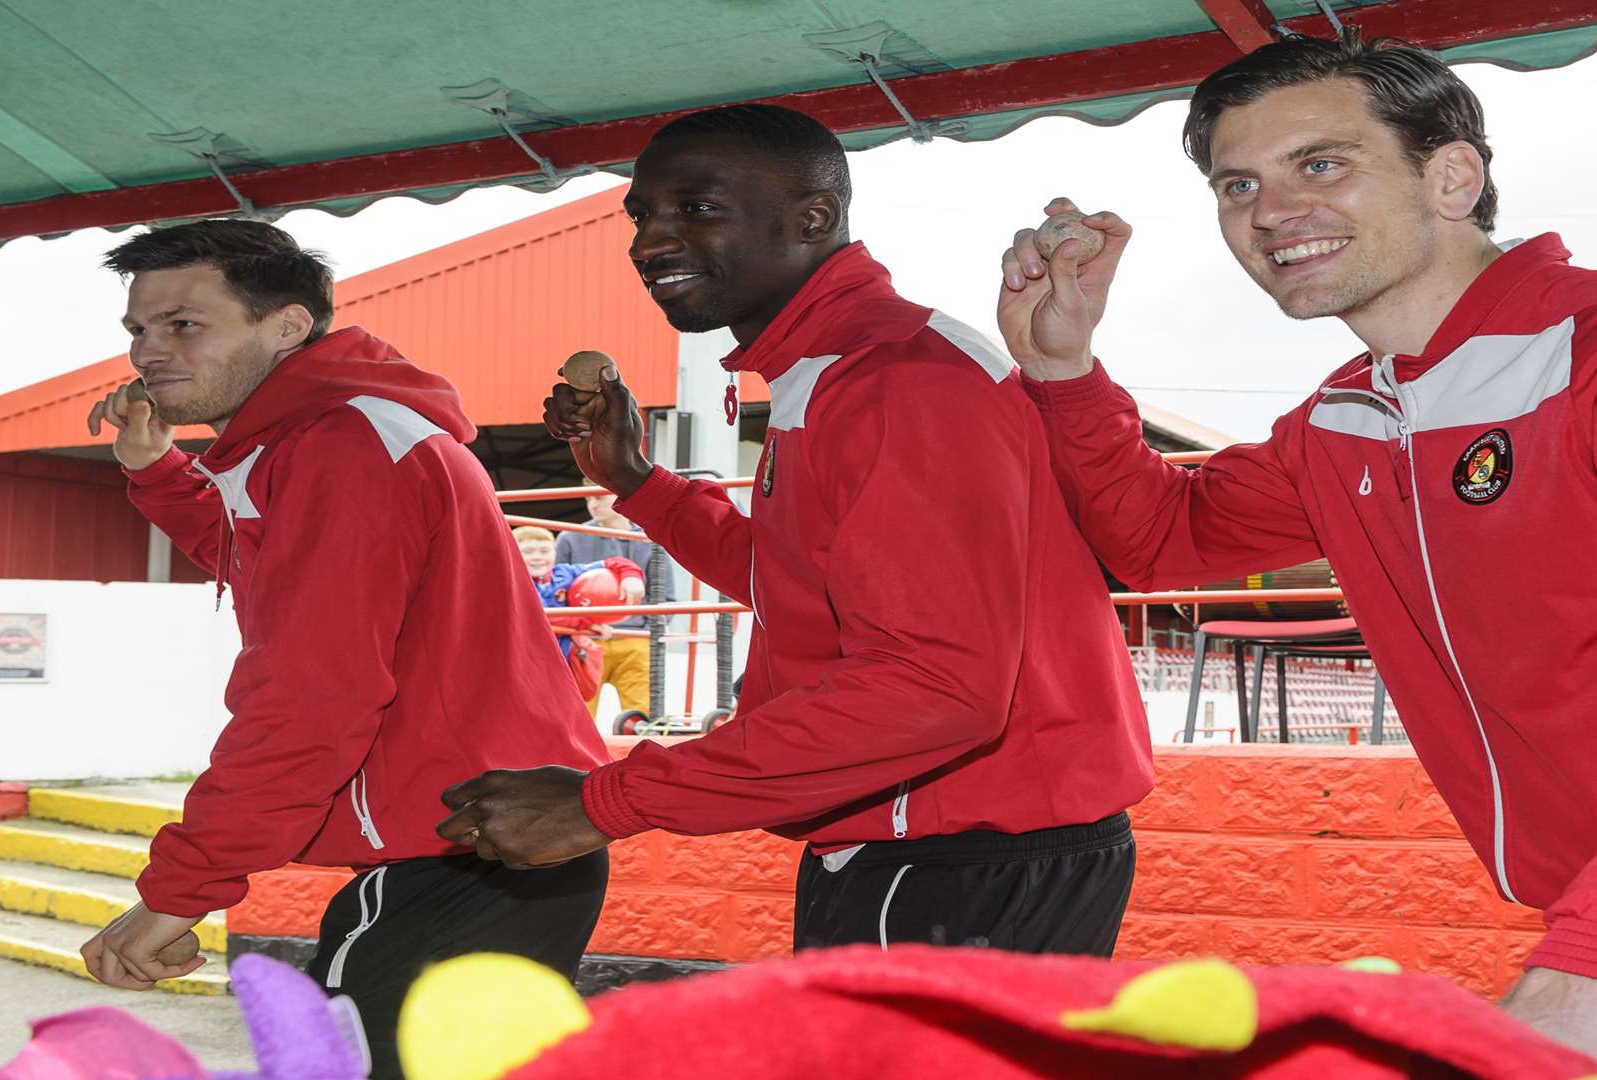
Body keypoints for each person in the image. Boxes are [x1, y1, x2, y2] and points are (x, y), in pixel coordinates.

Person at [995, 30, 1597, 1077]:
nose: (1269, 210)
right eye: (1237, 183)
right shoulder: (1348, 419)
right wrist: (1061, 369)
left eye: (1320, 163)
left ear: (1453, 177)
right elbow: (1162, 536)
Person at [436, 103, 1154, 958]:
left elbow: (936, 684)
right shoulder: (837, 368)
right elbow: (806, 582)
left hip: (958, 853)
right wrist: (636, 479)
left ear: (812, 218)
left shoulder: (897, 378)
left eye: (696, 210)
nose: (649, 242)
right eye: (643, 216)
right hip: (933, 847)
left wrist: (602, 803)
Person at [78, 220, 611, 1079]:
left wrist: (177, 894)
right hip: (489, 838)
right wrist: (155, 471)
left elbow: (309, 698)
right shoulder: (332, 432)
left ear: (287, 326)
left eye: (184, 323)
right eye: (138, 329)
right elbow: (266, 560)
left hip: (465, 844)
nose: (148, 351)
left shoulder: (341, 444)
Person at [553, 484, 673, 718]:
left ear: (620, 495)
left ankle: (645, 752)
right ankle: (575, 756)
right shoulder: (569, 537)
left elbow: (665, 594)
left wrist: (646, 631)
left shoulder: (651, 538)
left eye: (599, 498)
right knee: (576, 716)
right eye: (588, 499)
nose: (592, 505)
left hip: (634, 639)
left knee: (643, 715)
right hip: (584, 638)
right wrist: (575, 630)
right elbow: (556, 589)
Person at [514, 523, 645, 710]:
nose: (538, 557)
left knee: (565, 707)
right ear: (513, 552)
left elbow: (613, 562)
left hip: (563, 660)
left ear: (554, 552)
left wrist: (631, 576)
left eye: (544, 551)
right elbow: (537, 617)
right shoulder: (511, 581)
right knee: (528, 706)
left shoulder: (565, 573)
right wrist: (586, 624)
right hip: (527, 657)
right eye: (528, 551)